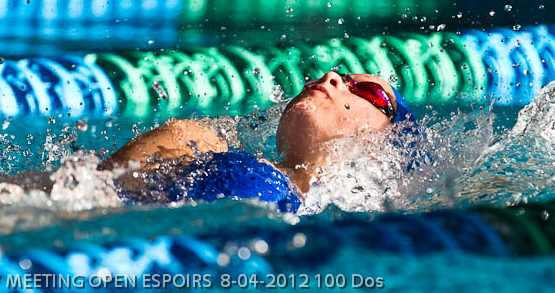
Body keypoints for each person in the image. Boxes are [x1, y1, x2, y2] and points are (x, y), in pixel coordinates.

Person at [100, 71, 418, 212]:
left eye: (370, 92)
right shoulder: (190, 139)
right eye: (341, 77)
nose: (331, 77)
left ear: (386, 148)